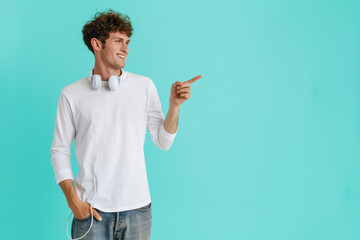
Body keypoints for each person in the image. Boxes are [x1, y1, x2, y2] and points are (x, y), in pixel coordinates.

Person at [50, 9, 202, 240]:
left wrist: (175, 106)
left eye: (127, 42)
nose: (125, 48)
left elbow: (163, 142)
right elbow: (59, 151)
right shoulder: (71, 94)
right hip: (90, 212)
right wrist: (74, 202)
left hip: (137, 211)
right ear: (97, 45)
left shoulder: (144, 86)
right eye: (118, 41)